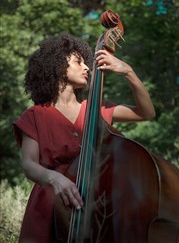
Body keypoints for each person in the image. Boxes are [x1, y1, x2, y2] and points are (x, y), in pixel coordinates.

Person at [13, 33, 155, 243]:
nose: (87, 67)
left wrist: (128, 72)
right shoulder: (35, 115)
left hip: (97, 207)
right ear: (58, 66)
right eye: (78, 62)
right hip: (50, 205)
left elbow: (146, 113)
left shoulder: (95, 109)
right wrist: (54, 178)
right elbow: (28, 163)